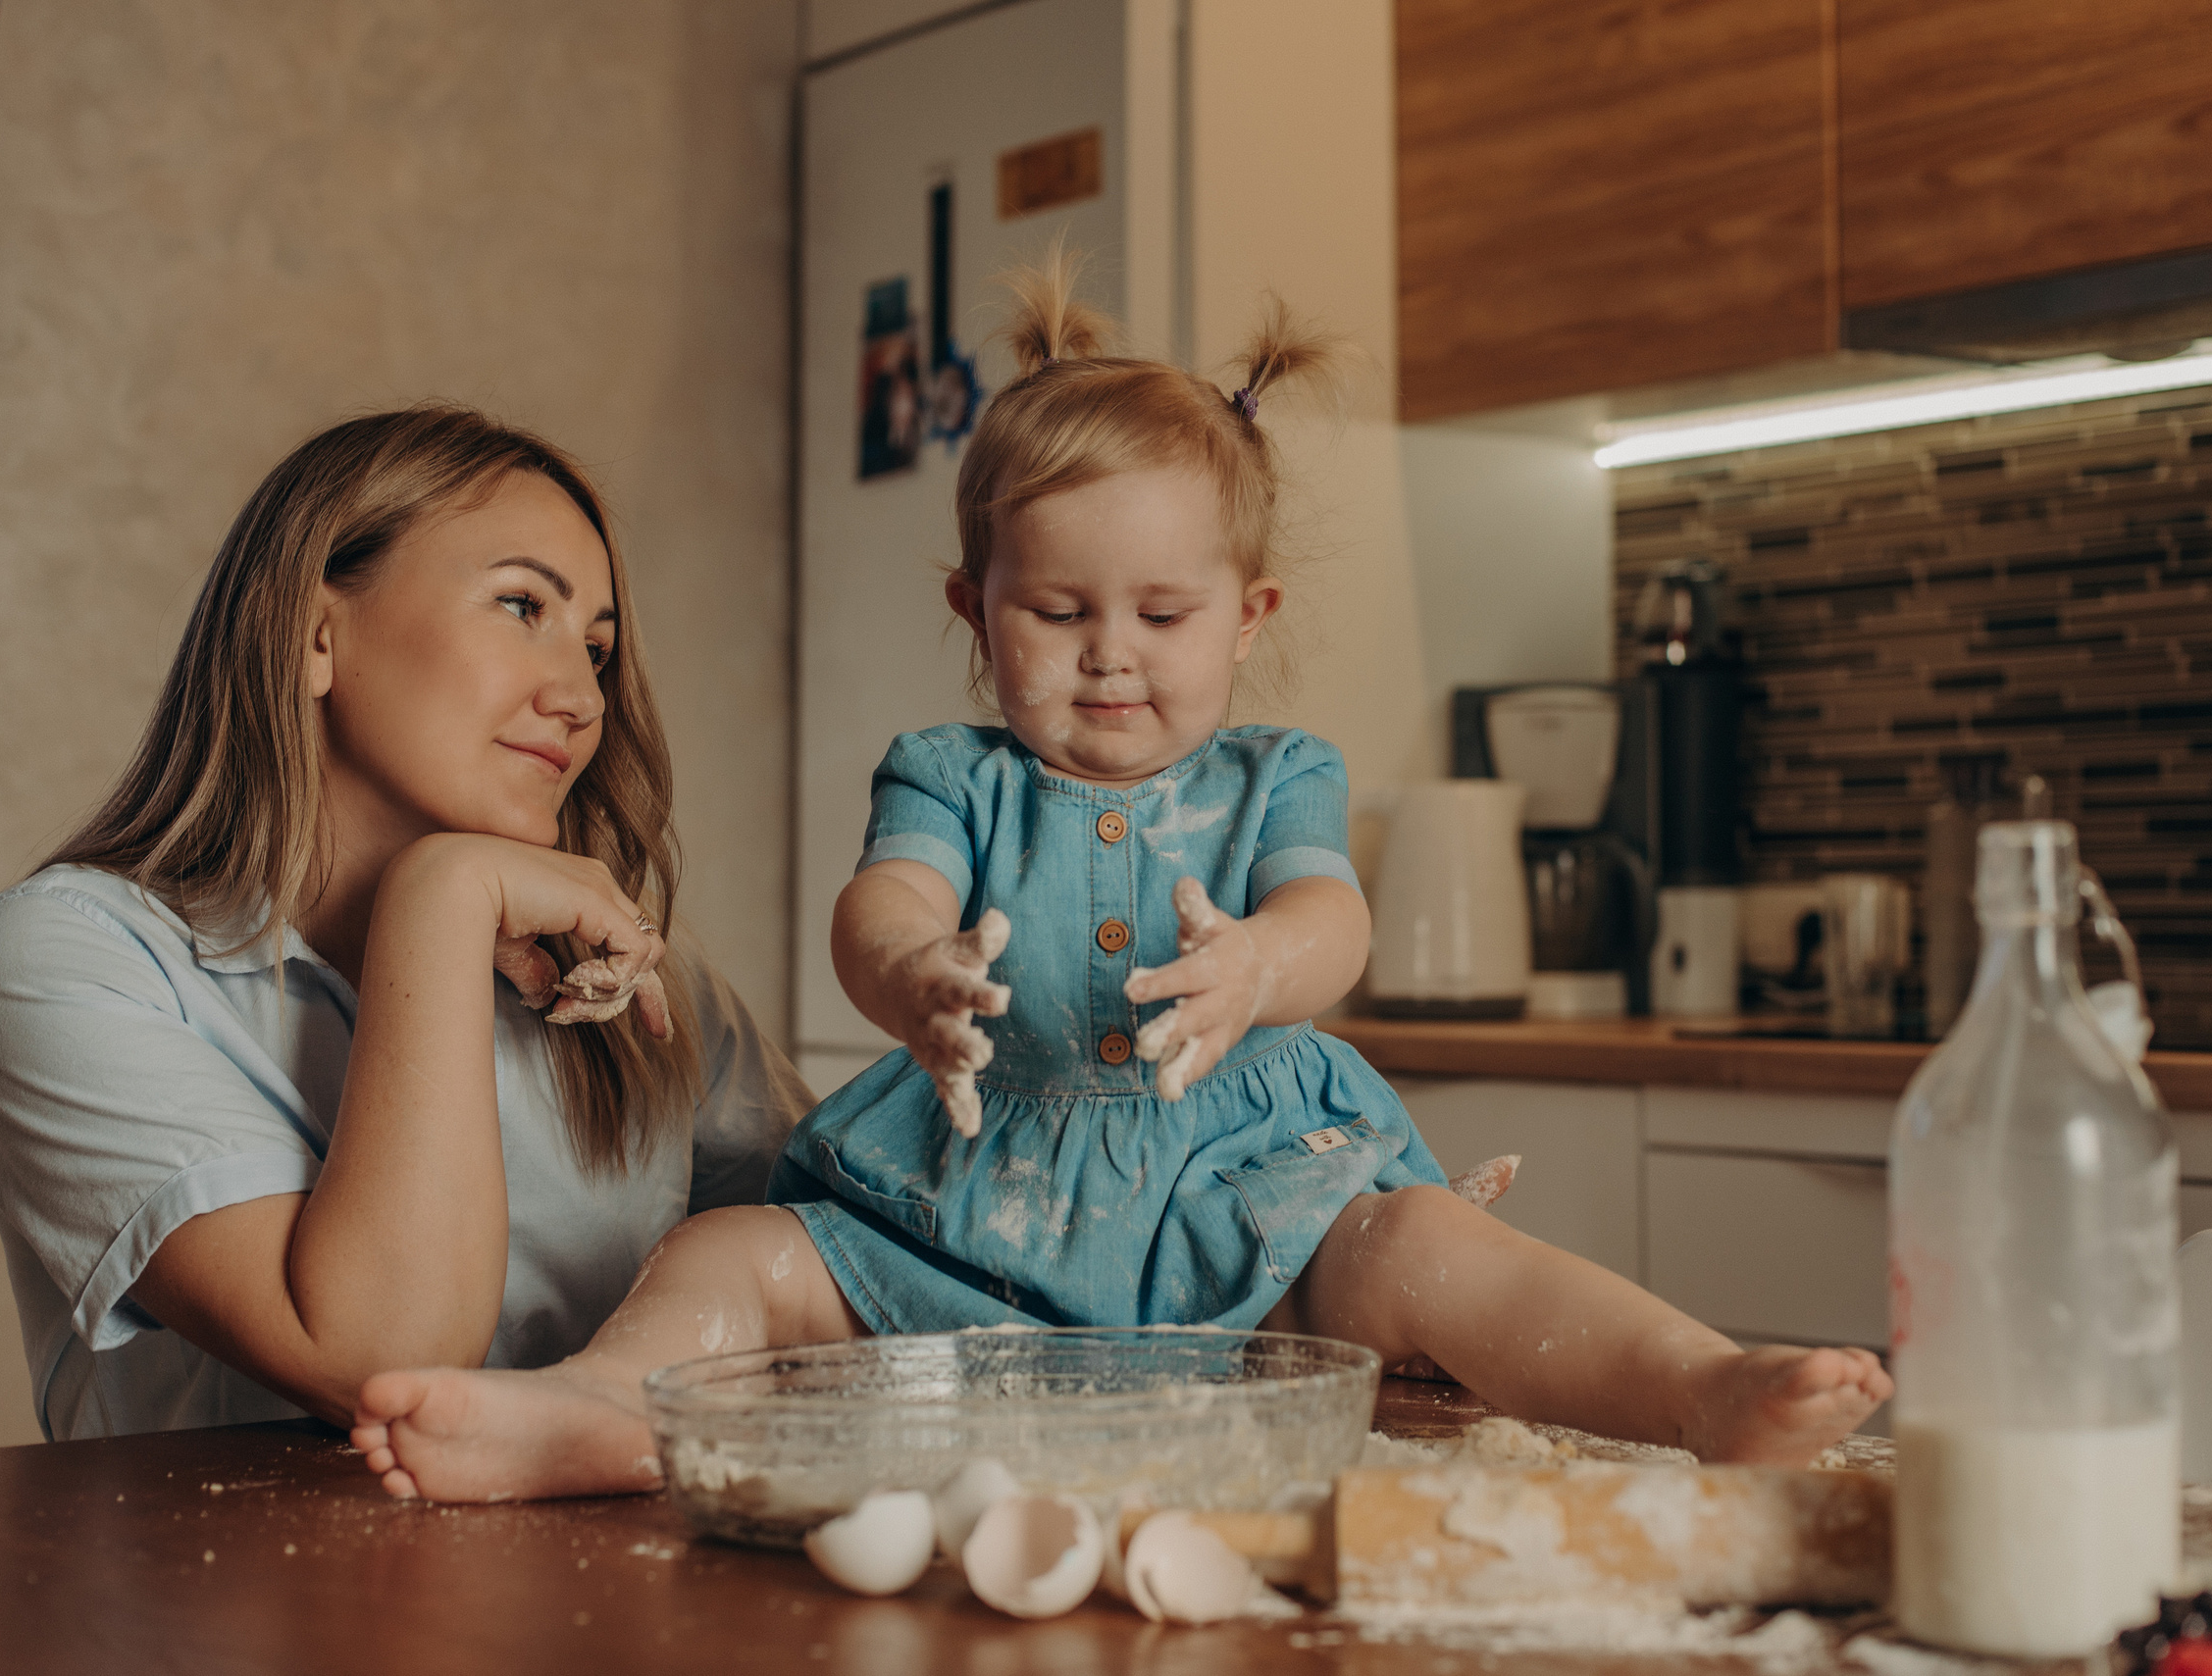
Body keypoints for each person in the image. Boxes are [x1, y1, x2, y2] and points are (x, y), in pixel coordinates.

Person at [349, 258, 1891, 1502]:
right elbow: (881, 906)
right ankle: (609, 1408)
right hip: (969, 1212)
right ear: (976, 607)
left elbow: (1332, 919)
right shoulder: (949, 773)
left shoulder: (1278, 776)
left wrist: (1260, 966)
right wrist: (915, 976)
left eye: (1163, 613)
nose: (1110, 654)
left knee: (1429, 1250)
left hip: (1245, 1215)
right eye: (1058, 610)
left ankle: (1696, 1383)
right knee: (735, 1254)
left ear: (1246, 614)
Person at [0, 405, 807, 1443]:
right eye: (522, 604)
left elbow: (867, 1257)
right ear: (316, 636)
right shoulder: (63, 960)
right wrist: (442, 897)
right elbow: (385, 1360)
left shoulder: (633, 984)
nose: (584, 696)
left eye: (598, 648)